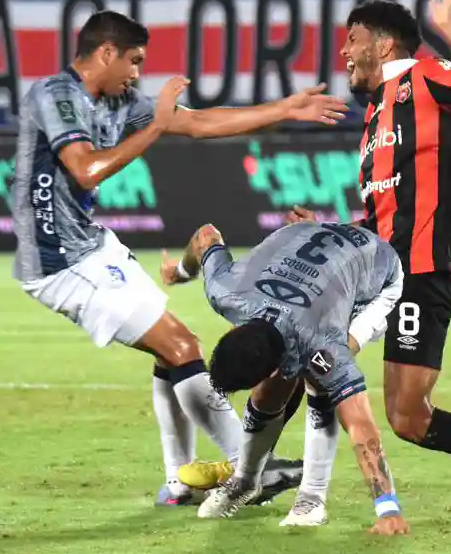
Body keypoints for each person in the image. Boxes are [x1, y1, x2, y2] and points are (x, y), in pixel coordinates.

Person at [182, 0, 451, 516]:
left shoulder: (428, 75)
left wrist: (449, 30)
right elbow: (383, 216)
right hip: (376, 270)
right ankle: (249, 472)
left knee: (408, 416)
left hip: (421, 269)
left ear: (384, 44)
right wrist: (329, 227)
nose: (343, 52)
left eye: (352, 40)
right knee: (289, 355)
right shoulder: (377, 116)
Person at [11, 10, 348, 506]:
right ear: (106, 53)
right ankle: (249, 471)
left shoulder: (118, 101)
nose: (137, 74)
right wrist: (157, 128)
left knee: (169, 350)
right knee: (181, 346)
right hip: (58, 261)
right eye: (134, 61)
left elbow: (197, 123)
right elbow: (86, 171)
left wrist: (283, 110)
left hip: (91, 243)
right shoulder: (55, 95)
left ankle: (178, 482)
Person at [159, 221, 409, 534]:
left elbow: (359, 421)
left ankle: (312, 499)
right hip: (305, 239)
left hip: (376, 270)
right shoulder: (226, 291)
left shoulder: (321, 341)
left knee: (320, 380)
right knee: (269, 393)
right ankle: (245, 481)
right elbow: (206, 235)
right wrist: (182, 271)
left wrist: (388, 507)